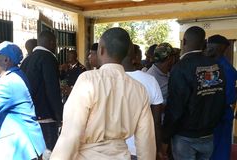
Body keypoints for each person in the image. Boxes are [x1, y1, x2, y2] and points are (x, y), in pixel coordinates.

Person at [50, 27, 156, 160]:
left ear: (101, 50)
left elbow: (71, 134)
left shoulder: (88, 80)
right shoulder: (139, 89)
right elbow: (146, 142)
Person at [161, 26, 226, 160]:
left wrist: (165, 138)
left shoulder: (180, 67)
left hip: (185, 137)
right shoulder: (216, 66)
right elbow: (220, 98)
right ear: (204, 44)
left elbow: (175, 108)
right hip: (208, 134)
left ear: (184, 41)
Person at [20, 31, 63, 155]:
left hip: (29, 116)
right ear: (51, 43)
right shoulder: (49, 58)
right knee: (49, 153)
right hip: (46, 117)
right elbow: (52, 89)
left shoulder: (26, 61)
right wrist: (60, 116)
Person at [122, 42, 163, 160]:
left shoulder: (107, 80)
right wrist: (159, 149)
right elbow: (156, 122)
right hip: (141, 150)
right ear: (135, 58)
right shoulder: (150, 81)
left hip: (113, 149)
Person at [205, 35, 236, 160]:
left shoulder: (226, 69)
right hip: (210, 115)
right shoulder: (210, 64)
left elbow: (229, 97)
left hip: (220, 116)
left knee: (219, 151)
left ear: (218, 48)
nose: (207, 48)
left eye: (209, 45)